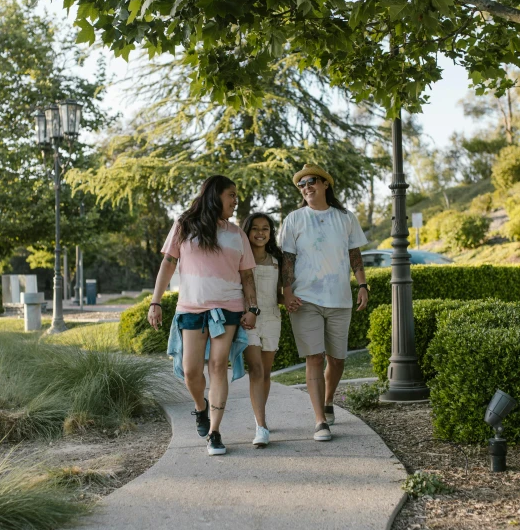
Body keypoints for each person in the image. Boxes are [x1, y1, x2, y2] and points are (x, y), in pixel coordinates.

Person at [147, 175, 259, 456]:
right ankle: (201, 407)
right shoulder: (184, 225)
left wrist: (252, 308)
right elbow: (168, 263)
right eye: (231, 195)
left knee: (219, 366)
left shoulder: (237, 233)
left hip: (228, 308)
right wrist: (155, 301)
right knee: (190, 370)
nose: (236, 201)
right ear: (215, 195)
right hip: (191, 308)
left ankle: (215, 432)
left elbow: (247, 276)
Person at [280, 164, 369, 442]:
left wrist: (362, 284)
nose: (306, 187)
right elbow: (287, 260)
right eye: (301, 184)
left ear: (325, 184)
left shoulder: (345, 217)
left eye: (311, 182)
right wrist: (287, 291)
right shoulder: (294, 219)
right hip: (305, 299)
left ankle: (328, 400)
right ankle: (320, 420)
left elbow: (354, 254)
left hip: (340, 298)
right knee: (314, 357)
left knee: (338, 359)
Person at [241, 212, 284, 446]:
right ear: (246, 232)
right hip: (248, 320)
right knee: (256, 370)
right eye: (255, 228)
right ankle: (261, 425)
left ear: (271, 232)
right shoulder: (239, 258)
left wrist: (288, 300)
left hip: (272, 319)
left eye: (265, 228)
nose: (260, 233)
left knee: (266, 373)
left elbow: (278, 294)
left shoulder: (277, 260)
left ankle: (261, 416)